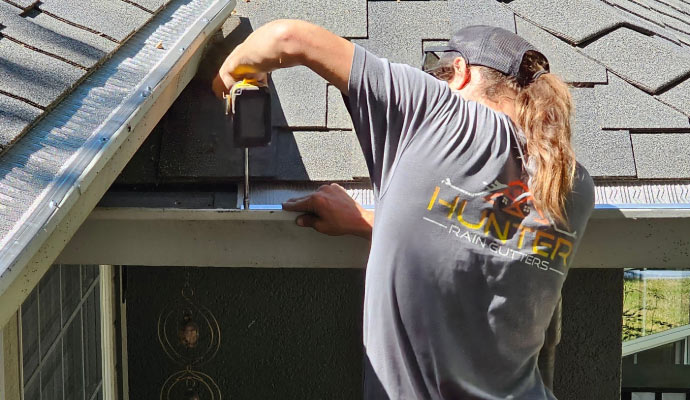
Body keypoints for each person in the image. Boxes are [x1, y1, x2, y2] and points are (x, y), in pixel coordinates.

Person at [213, 20, 595, 400]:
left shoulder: (439, 113)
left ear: (459, 73)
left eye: (438, 74)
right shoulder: (573, 182)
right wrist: (368, 223)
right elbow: (484, 244)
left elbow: (287, 38)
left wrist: (229, 75)